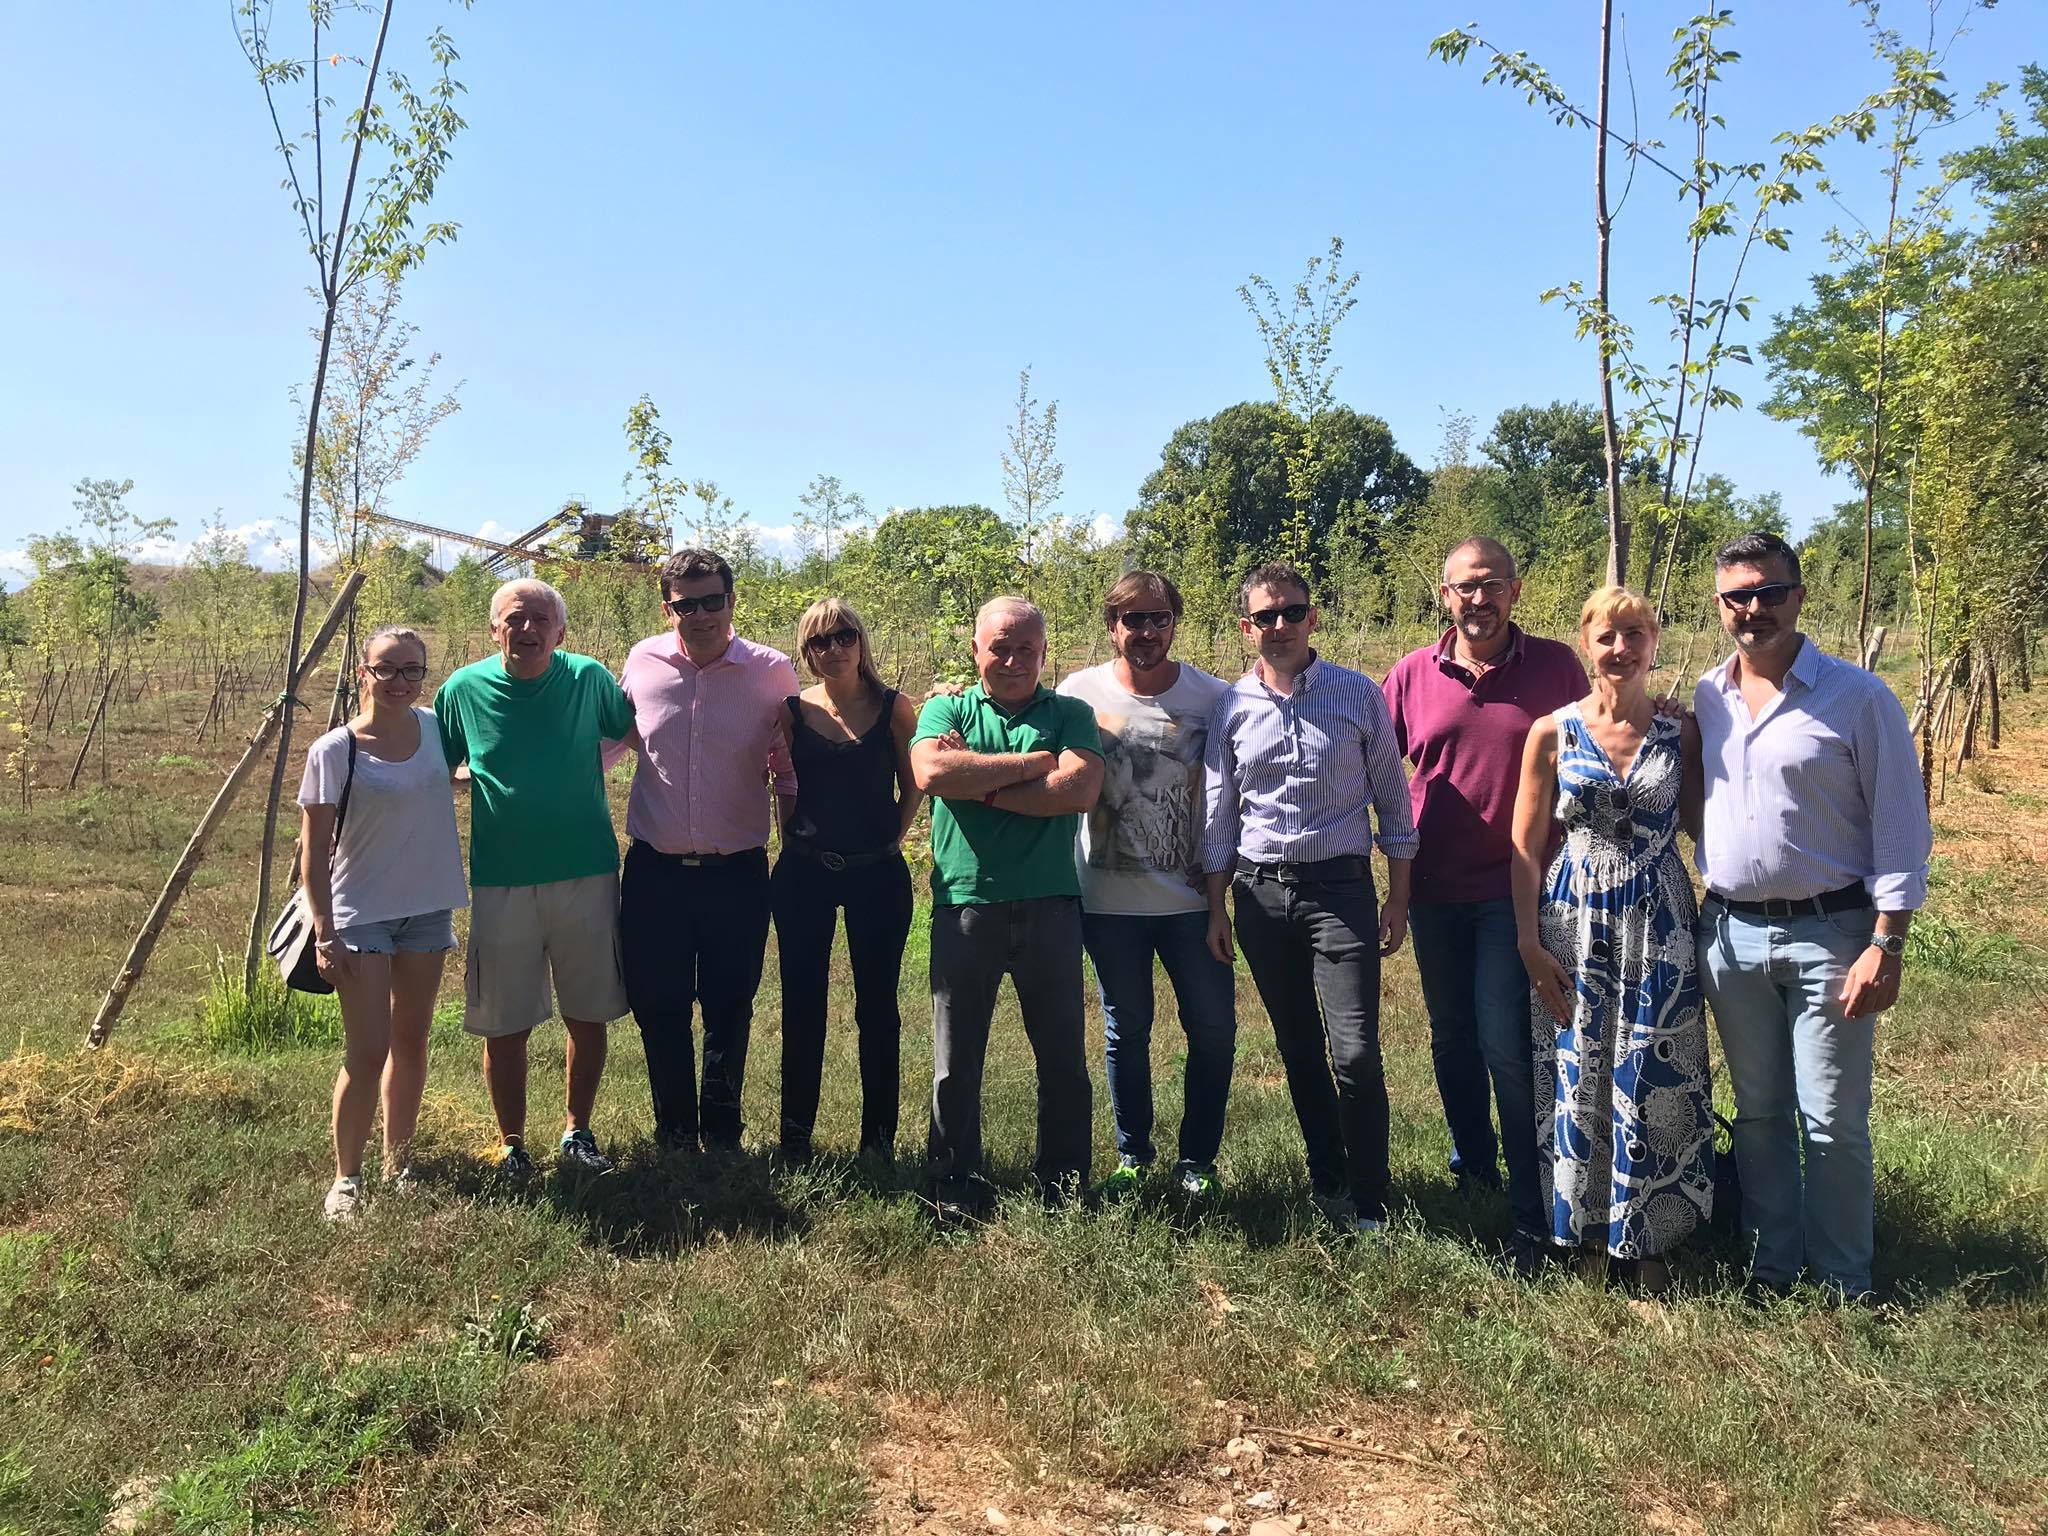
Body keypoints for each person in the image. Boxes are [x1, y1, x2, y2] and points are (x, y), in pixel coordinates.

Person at [1693, 531, 1931, 1302]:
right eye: (1738, 596)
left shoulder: (1858, 697)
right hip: (1730, 934)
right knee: (1758, 1113)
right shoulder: (1706, 696)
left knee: (1831, 1119)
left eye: (1769, 592)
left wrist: (1886, 943)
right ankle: (1772, 1263)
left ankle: (1843, 1281)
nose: (1753, 609)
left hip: (1833, 932)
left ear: (1799, 596)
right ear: (1720, 604)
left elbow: (1900, 824)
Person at [1383, 536, 1588, 1272]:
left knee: (1508, 1043)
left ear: (1516, 591)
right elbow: (1377, 767)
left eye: (1492, 584)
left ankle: (1533, 1208)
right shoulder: (1411, 674)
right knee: (1451, 1035)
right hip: (1436, 889)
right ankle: (1473, 1163)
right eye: (1465, 587)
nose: (1478, 598)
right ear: (1445, 596)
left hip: (1520, 889)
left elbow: (1602, 737)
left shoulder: (1558, 666)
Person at [1201, 561, 1417, 1233]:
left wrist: (1398, 896)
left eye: (1292, 611)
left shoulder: (1358, 695)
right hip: (1261, 896)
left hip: (1340, 892)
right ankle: (1329, 1179)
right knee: (1297, 1047)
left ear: (1313, 616)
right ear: (1246, 628)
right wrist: (1216, 906)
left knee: (1353, 1051)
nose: (1280, 626)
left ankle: (1373, 1196)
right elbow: (1219, 811)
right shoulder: (1231, 708)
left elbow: (1393, 800)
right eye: (1265, 616)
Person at [1509, 586, 1713, 1291]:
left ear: (1655, 644)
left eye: (1635, 634)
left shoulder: (1679, 733)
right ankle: (1587, 1232)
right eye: (1607, 635)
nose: (1620, 648)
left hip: (1658, 918)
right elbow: (1527, 847)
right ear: (1585, 644)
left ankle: (1646, 1237)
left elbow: (1700, 827)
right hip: (1573, 920)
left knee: (1654, 1067)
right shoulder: (1552, 731)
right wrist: (1530, 945)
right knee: (1581, 1064)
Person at [910, 596, 1104, 1222]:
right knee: (955, 1058)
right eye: (999, 646)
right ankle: (954, 1181)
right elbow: (932, 771)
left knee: (1063, 1058)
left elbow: (1078, 790)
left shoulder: (1071, 712)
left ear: (1045, 653)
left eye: (1027, 648)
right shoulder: (945, 707)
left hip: (1051, 906)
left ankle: (1064, 1183)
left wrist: (979, 782)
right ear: (976, 651)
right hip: (966, 906)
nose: (1013, 659)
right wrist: (1028, 767)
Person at [435, 578, 634, 1179]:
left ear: (561, 631)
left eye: (540, 619)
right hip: (502, 879)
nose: (527, 630)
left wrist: (582, 769)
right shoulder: (462, 690)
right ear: (494, 629)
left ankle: (577, 1131)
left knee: (587, 1011)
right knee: (504, 1020)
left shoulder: (588, 678)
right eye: (514, 619)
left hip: (587, 871)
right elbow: (439, 766)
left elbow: (628, 731)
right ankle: (513, 1145)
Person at [1057, 571, 1235, 1200]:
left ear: (1174, 622)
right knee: (1124, 1028)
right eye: (1132, 619)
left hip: (1191, 903)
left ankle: (1197, 1162)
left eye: (1158, 618)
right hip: (1106, 901)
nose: (1146, 630)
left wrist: (1220, 892)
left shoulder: (1213, 698)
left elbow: (1232, 796)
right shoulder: (1078, 693)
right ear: (1112, 627)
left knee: (1213, 1028)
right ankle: (1133, 1155)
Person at [615, 547, 799, 1153]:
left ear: (732, 601)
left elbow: (788, 765)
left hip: (737, 873)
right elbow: (612, 743)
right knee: (658, 1004)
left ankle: (721, 1132)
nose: (700, 614)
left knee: (729, 1004)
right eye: (685, 604)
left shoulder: (771, 671)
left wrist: (800, 841)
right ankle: (673, 1131)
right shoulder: (642, 662)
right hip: (654, 872)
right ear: (668, 608)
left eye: (711, 600)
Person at [299, 626, 469, 1221]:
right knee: (368, 1050)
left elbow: (457, 775)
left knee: (412, 1041)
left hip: (427, 908)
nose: (400, 681)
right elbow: (313, 853)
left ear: (426, 674)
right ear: (363, 674)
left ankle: (402, 1163)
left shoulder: (438, 732)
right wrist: (325, 930)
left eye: (413, 670)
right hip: (359, 914)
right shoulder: (334, 751)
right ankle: (346, 1179)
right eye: (387, 669)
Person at [770, 597, 921, 1164]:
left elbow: (914, 787)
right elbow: (778, 783)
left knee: (878, 1008)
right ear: (806, 653)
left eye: (842, 637)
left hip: (877, 874)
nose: (832, 650)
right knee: (801, 1004)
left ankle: (878, 1142)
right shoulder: (790, 711)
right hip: (804, 875)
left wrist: (889, 840)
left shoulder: (894, 710)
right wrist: (793, 839)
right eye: (818, 642)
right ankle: (794, 1140)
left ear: (860, 642)